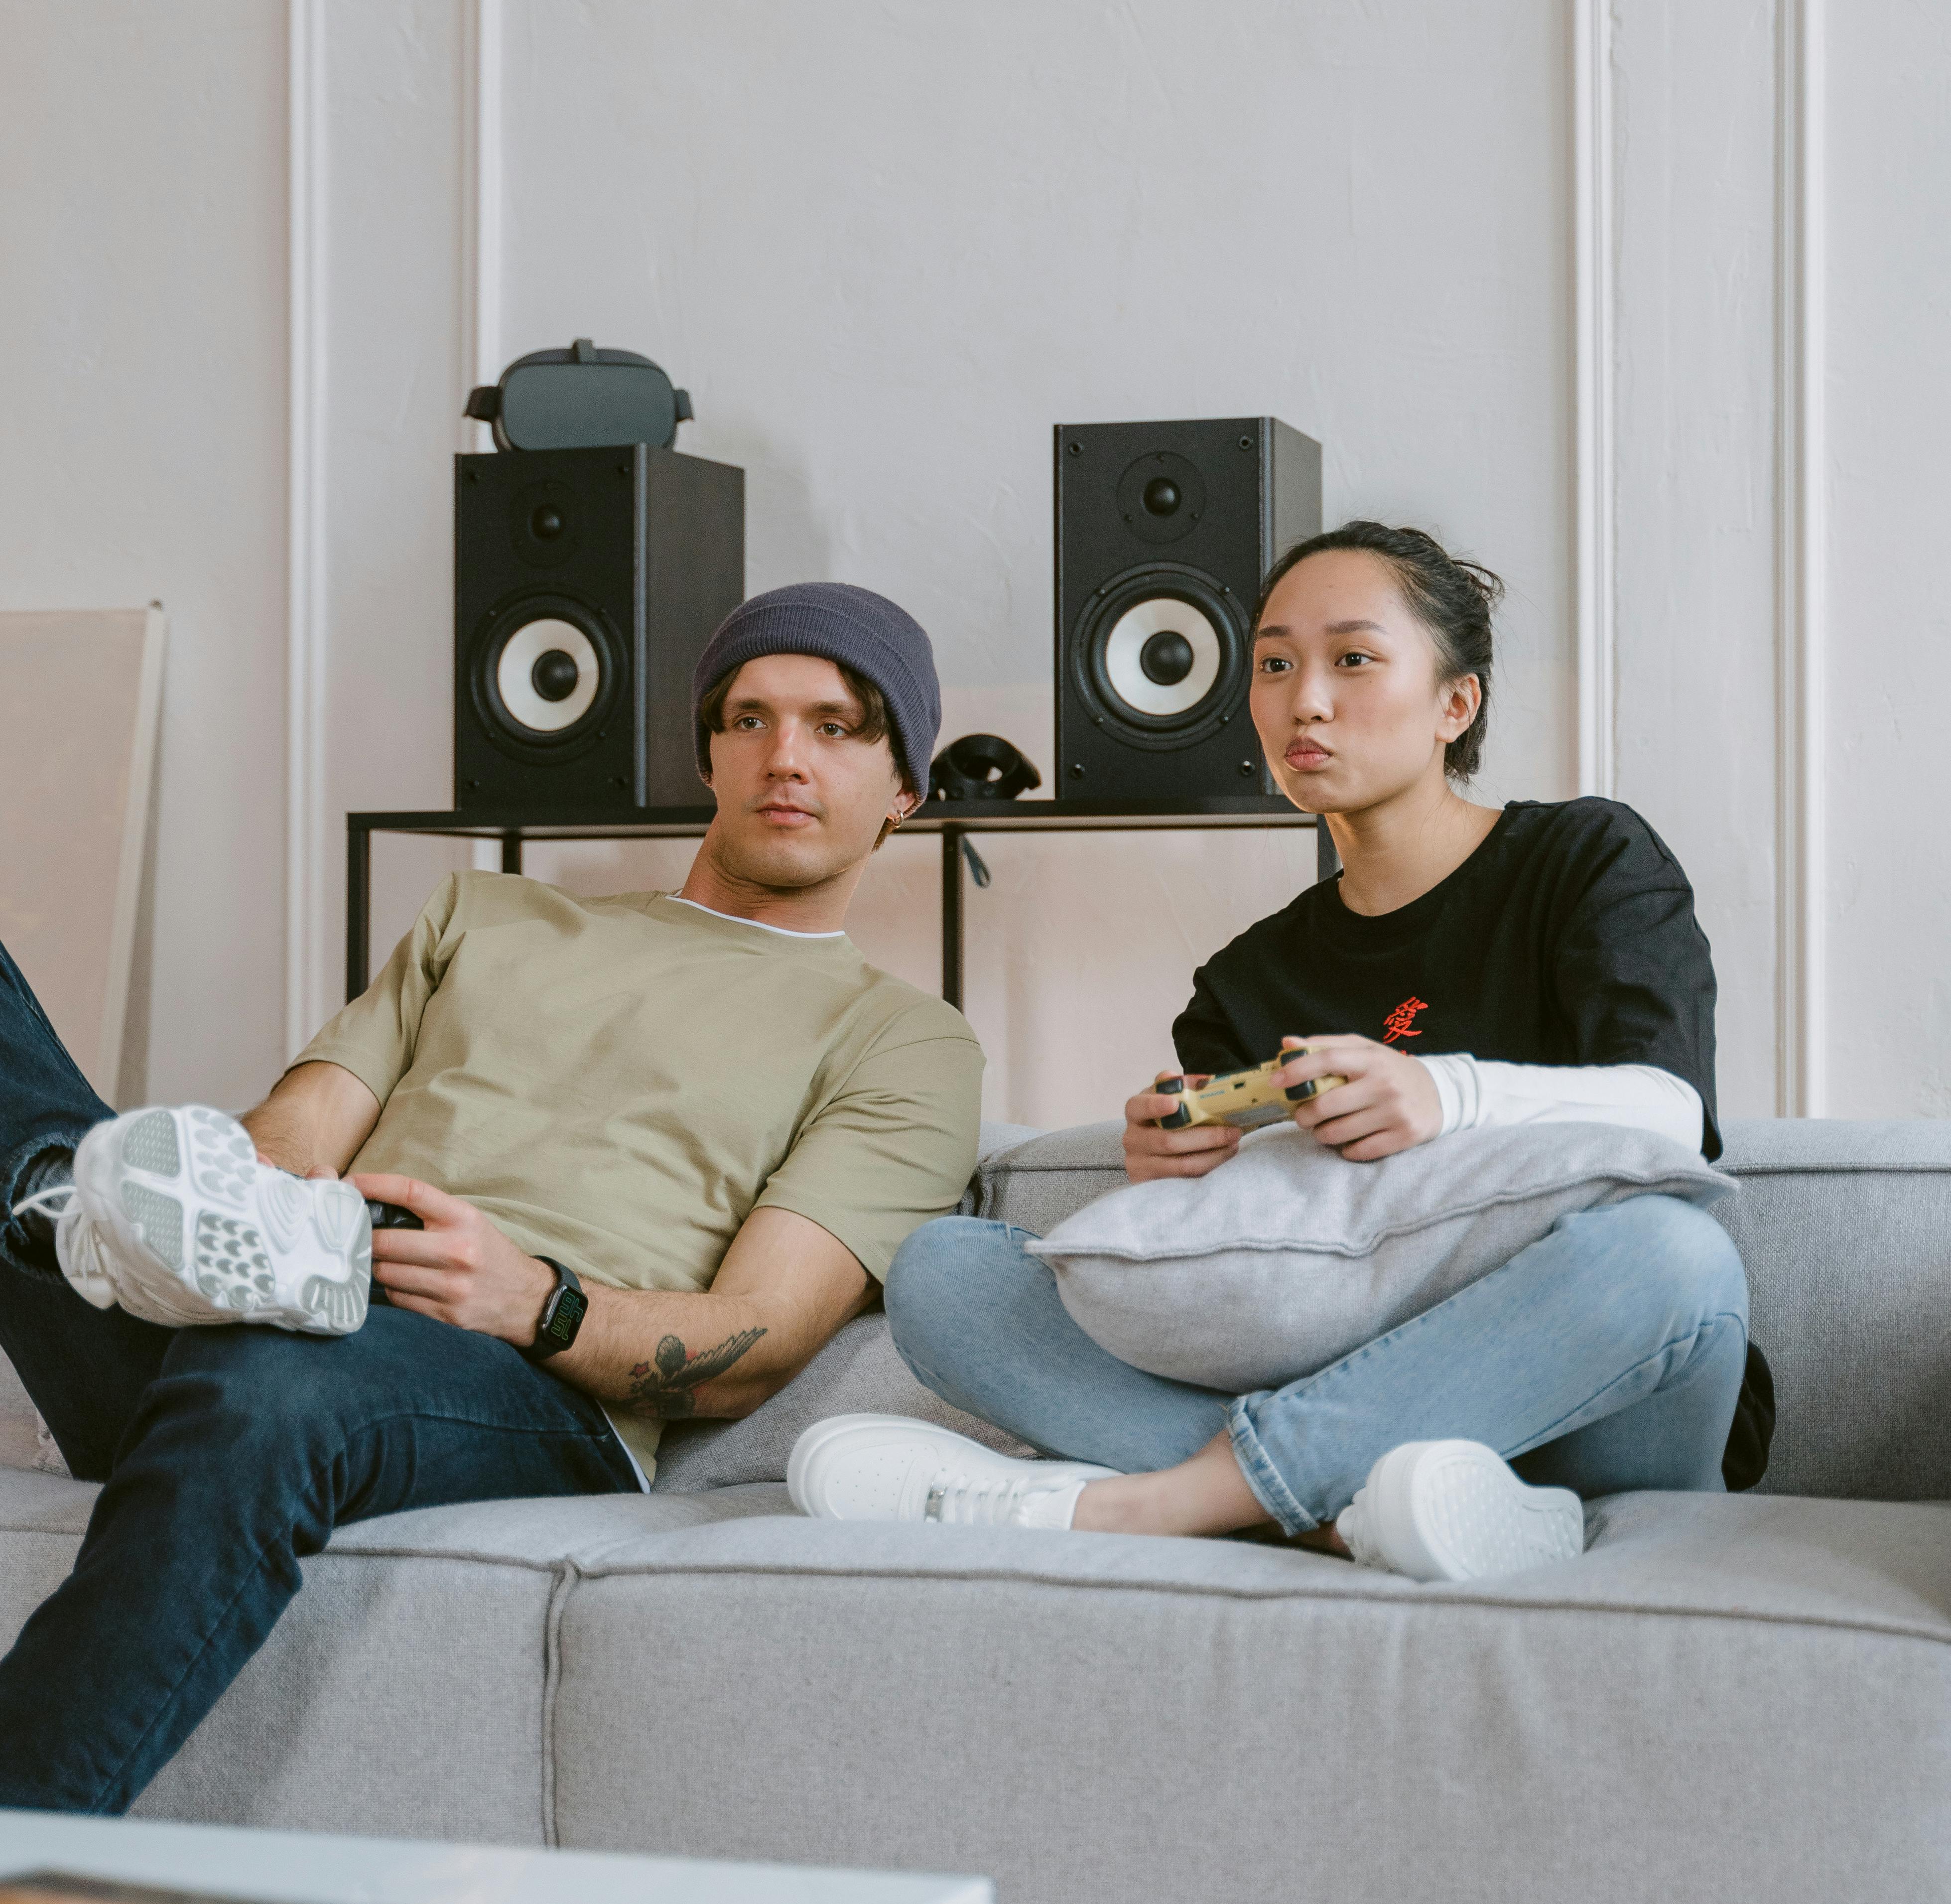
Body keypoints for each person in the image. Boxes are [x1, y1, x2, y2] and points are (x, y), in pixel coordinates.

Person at [0, 582, 981, 1812]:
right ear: (710, 751)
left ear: (906, 788)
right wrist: (247, 1195)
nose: (786, 756)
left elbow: (758, 1336)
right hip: (283, 1283)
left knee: (269, 1378)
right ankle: (75, 1212)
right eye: (752, 719)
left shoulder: (903, 1040)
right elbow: (301, 1126)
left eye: (839, 727)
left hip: (514, 1384)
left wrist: (537, 1302)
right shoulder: (490, 912)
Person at [790, 523, 1762, 1583]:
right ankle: (1365, 1517)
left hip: (1589, 1388)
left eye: (1353, 659)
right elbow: (1257, 1266)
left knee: (1675, 1255)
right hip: (1340, 1379)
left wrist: (1444, 1093)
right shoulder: (1246, 980)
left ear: (1456, 703)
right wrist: (1175, 1168)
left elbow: (1670, 1118)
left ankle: (1170, 1504)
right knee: (943, 1272)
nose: (1305, 699)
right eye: (1275, 664)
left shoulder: (1587, 859)